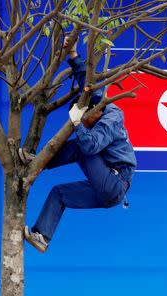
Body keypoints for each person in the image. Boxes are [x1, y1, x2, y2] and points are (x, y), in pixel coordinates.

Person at [23, 37, 136, 253]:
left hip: (115, 182)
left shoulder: (112, 118)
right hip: (104, 189)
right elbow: (88, 83)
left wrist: (77, 123)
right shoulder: (98, 102)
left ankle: (39, 162)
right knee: (60, 193)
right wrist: (74, 55)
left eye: (87, 117)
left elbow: (91, 146)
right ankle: (42, 236)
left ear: (98, 112)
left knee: (82, 147)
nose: (86, 120)